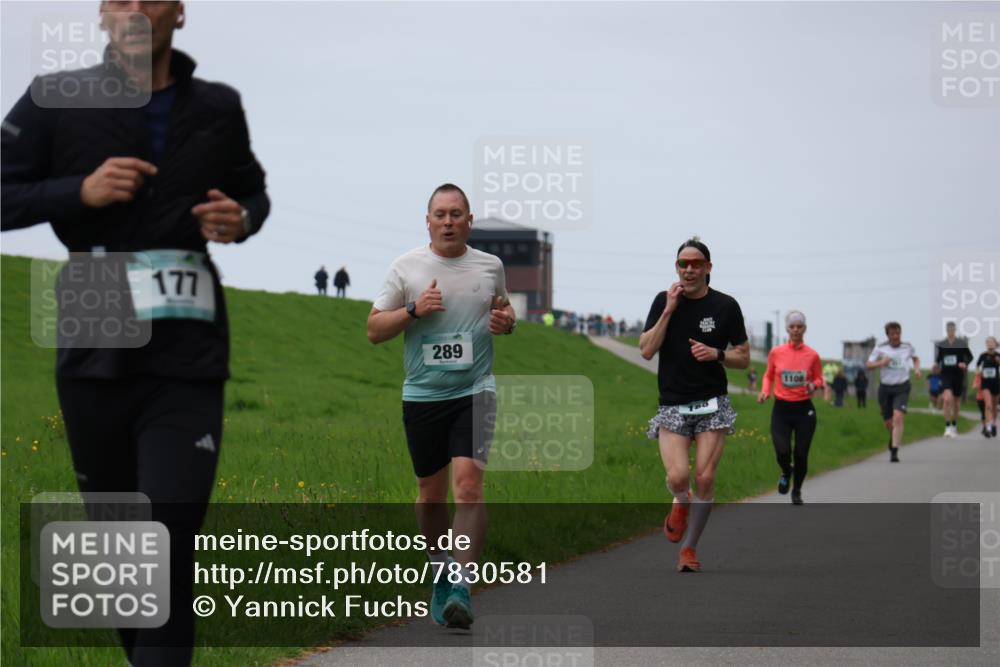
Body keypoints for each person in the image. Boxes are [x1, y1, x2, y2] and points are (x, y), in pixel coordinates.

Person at [1, 2, 269, 665]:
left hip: (187, 349)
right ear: (101, 16)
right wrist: (77, 191)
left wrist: (241, 219)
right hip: (95, 333)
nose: (134, 11)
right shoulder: (54, 99)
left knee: (166, 541)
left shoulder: (218, 106)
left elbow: (253, 192)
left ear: (179, 13)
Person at [367, 183, 515, 629]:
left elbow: (504, 309)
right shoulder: (406, 268)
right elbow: (374, 330)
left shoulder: (490, 266)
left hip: (475, 390)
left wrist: (506, 322)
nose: (448, 222)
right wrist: (414, 310)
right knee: (430, 496)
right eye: (440, 215)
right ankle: (441, 570)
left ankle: (463, 588)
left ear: (469, 220)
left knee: (468, 488)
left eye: (456, 214)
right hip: (423, 395)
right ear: (427, 222)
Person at [639, 237, 749, 572]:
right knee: (678, 477)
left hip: (712, 404)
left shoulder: (725, 306)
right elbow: (646, 350)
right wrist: (669, 310)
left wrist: (717, 354)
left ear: (708, 268)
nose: (689, 270)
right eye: (683, 264)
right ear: (677, 268)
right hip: (673, 403)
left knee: (704, 476)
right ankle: (680, 500)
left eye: (696, 264)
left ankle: (689, 549)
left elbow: (743, 357)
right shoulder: (664, 300)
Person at [757, 311, 822, 505]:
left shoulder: (812, 355)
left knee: (801, 453)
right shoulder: (776, 352)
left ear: (804, 329)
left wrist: (814, 385)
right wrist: (765, 391)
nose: (796, 330)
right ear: (787, 329)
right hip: (782, 410)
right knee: (783, 451)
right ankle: (786, 471)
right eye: (792, 326)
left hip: (804, 410)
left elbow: (819, 378)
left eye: (799, 326)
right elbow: (768, 375)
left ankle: (797, 490)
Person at [867, 322, 921, 462]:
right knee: (888, 422)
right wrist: (881, 363)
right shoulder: (880, 348)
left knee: (898, 416)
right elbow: (869, 364)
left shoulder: (907, 347)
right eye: (892, 334)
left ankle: (894, 451)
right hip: (885, 388)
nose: (896, 336)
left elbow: (916, 358)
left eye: (898, 333)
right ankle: (893, 436)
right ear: (888, 335)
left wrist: (917, 369)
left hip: (902, 386)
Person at [935, 322, 973, 437]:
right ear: (946, 330)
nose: (950, 331)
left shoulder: (961, 343)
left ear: (955, 330)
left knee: (956, 402)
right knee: (947, 399)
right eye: (948, 329)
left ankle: (954, 425)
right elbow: (939, 358)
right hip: (946, 374)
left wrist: (964, 363)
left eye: (952, 329)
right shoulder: (942, 344)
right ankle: (947, 427)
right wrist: (936, 365)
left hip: (958, 375)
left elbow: (970, 356)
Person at [976, 336, 1000, 438]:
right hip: (985, 383)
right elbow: (977, 366)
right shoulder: (982, 355)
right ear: (986, 344)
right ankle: (988, 427)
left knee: (994, 406)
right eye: (988, 342)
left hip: (995, 383)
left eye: (992, 342)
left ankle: (993, 424)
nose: (990, 344)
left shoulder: (998, 355)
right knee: (988, 405)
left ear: (995, 344)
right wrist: (978, 372)